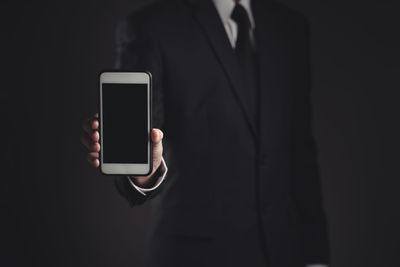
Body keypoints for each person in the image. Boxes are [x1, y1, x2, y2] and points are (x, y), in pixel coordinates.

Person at [81, 0, 330, 266]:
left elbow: (300, 150)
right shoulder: (150, 26)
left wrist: (315, 256)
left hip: (285, 252)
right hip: (194, 255)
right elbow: (141, 138)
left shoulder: (291, 27)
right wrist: (142, 171)